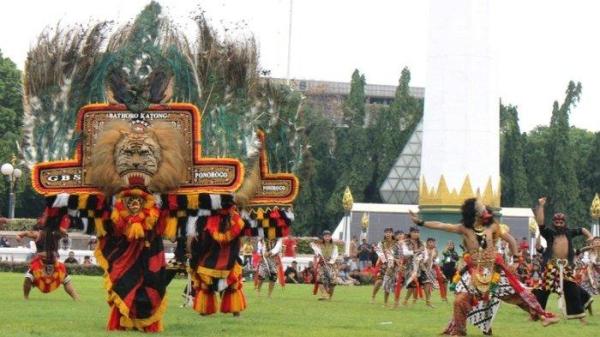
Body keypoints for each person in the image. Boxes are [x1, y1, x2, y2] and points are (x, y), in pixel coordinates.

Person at [408, 198, 559, 336]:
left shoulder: (493, 226)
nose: (484, 209)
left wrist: (515, 260)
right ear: (473, 213)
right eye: (480, 207)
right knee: (460, 300)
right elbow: (441, 225)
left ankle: (542, 316)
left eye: (483, 207)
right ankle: (459, 331)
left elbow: (512, 241)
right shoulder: (464, 228)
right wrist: (420, 223)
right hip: (473, 273)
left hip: (494, 271)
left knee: (517, 295)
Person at [532, 197, 593, 324]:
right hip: (551, 266)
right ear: (554, 223)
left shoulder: (570, 233)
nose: (559, 224)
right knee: (542, 290)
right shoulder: (549, 233)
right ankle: (535, 315)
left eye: (561, 222)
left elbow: (582, 229)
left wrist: (590, 236)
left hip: (566, 267)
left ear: (565, 223)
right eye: (556, 222)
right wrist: (541, 206)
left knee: (573, 290)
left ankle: (581, 317)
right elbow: (541, 224)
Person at [16, 227, 79, 301]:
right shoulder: (38, 234)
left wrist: (57, 226)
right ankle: (25, 297)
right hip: (40, 264)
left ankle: (76, 298)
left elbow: (65, 232)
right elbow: (24, 234)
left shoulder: (55, 234)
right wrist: (18, 236)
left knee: (66, 280)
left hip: (54, 263)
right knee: (28, 278)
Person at [402, 227, 434, 307]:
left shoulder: (422, 243)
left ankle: (428, 302)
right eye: (414, 232)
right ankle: (405, 300)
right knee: (413, 284)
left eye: (417, 232)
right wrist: (416, 251)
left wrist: (425, 259)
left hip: (421, 266)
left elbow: (425, 253)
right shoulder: (405, 242)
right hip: (410, 266)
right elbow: (405, 253)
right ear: (410, 233)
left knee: (427, 282)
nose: (416, 234)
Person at [371, 228, 398, 306]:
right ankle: (373, 296)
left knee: (388, 283)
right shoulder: (381, 243)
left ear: (392, 233)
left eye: (389, 232)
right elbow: (380, 253)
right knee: (379, 281)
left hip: (393, 264)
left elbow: (398, 254)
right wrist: (383, 261)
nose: (388, 234)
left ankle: (386, 302)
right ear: (384, 234)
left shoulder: (396, 243)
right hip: (383, 264)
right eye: (386, 232)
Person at [311, 230, 338, 300]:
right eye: (326, 236)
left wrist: (330, 261)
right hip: (322, 264)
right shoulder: (319, 245)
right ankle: (324, 294)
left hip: (331, 265)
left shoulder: (334, 246)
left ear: (330, 237)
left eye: (329, 236)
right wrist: (317, 253)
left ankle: (329, 296)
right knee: (319, 279)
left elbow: (335, 255)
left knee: (333, 282)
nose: (327, 237)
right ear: (323, 237)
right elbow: (317, 254)